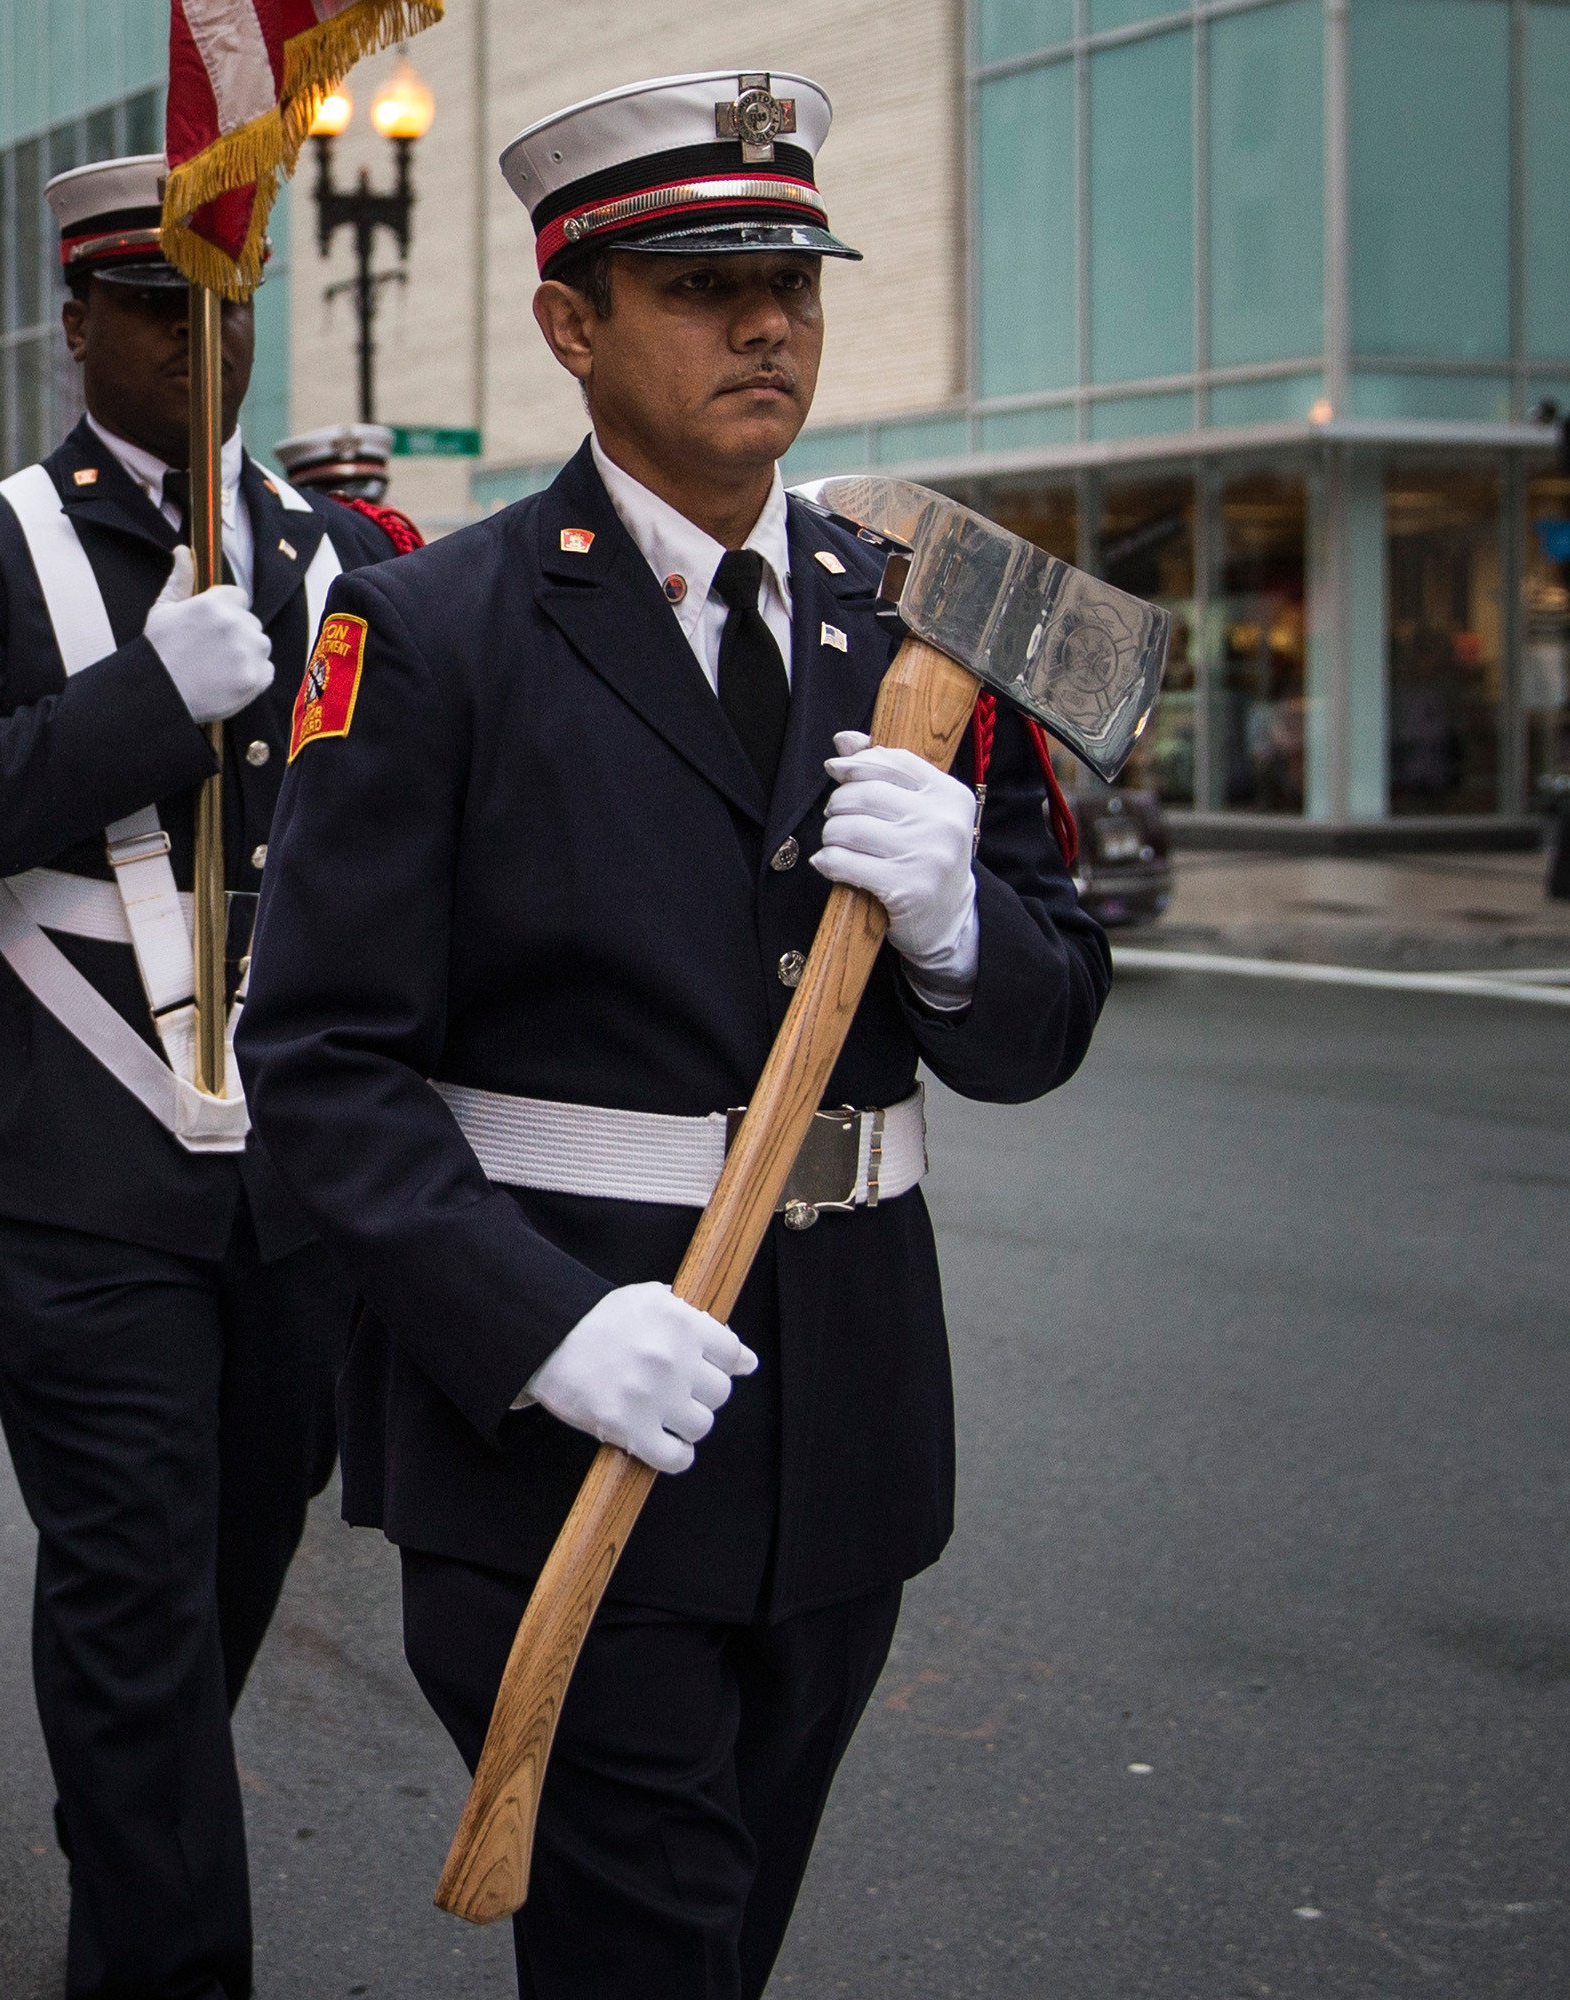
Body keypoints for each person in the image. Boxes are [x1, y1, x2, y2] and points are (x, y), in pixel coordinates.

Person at [233, 72, 1110, 1999]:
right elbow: (318, 1069)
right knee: (652, 1948)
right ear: (571, 321)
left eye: (791, 277)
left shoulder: (920, 634)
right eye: (706, 282)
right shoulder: (432, 632)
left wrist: (965, 928)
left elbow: (1045, 1024)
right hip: (560, 1431)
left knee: (722, 1942)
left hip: (848, 1429)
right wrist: (533, 1323)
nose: (767, 324)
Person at [0, 157, 412, 2000]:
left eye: (224, 303)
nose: (196, 339)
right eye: (158, 305)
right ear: (80, 323)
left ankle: (135, 1827)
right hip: (63, 1168)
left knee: (226, 1574)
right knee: (138, 1593)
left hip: (290, 1182)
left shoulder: (337, 563)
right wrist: (140, 701)